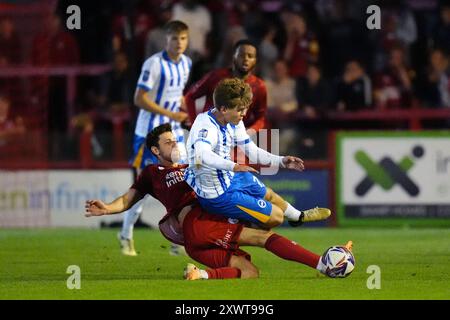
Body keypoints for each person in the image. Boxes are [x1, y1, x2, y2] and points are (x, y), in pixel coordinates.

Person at [85, 123, 353, 280]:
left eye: (176, 139)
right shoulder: (152, 173)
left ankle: (199, 276)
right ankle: (323, 263)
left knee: (250, 272)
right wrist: (108, 208)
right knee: (263, 235)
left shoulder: (195, 161)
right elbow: (128, 199)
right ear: (155, 150)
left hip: (200, 236)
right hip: (197, 222)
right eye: (168, 142)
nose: (175, 144)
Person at [185, 78, 331, 229]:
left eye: (245, 108)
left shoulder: (234, 121)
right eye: (240, 109)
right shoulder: (206, 126)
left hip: (230, 176)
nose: (244, 113)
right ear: (223, 109)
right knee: (276, 218)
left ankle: (298, 217)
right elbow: (202, 155)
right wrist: (234, 166)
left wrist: (281, 161)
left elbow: (252, 151)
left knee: (269, 195)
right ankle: (229, 228)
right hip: (216, 194)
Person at [120, 20, 191, 256]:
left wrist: (184, 108)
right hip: (149, 134)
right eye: (174, 39)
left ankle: (176, 240)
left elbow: (177, 93)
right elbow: (139, 98)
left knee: (182, 183)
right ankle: (126, 234)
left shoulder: (187, 64)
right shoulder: (154, 64)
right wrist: (170, 113)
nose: (178, 43)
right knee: (145, 188)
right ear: (166, 40)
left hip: (175, 133)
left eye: (182, 39)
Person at [185, 39, 267, 132]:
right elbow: (190, 96)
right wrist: (194, 124)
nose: (246, 59)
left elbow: (261, 118)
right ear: (233, 57)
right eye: (241, 55)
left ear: (255, 60)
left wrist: (251, 131)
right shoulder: (216, 76)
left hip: (237, 138)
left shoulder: (259, 86)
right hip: (210, 132)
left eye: (250, 56)